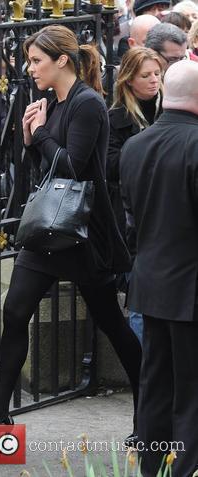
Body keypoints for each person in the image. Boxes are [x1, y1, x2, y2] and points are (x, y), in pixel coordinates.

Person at [0, 25, 142, 457]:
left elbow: (76, 168)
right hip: (48, 233)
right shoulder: (54, 104)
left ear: (62, 60)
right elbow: (48, 169)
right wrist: (29, 138)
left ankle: (150, 412)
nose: (30, 68)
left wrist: (39, 135)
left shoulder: (88, 103)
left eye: (37, 60)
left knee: (112, 325)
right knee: (14, 310)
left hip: (81, 237)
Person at [120, 60, 198, 477]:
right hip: (190, 290)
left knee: (155, 387)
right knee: (190, 391)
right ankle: (185, 469)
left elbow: (132, 218)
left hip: (151, 284)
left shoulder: (135, 146)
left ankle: (153, 468)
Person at [107, 47, 163, 344]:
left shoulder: (171, 110)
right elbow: (110, 167)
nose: (154, 80)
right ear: (129, 80)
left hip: (168, 213)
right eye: (146, 75)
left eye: (157, 73)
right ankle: (147, 373)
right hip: (131, 219)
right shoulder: (116, 118)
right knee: (139, 296)